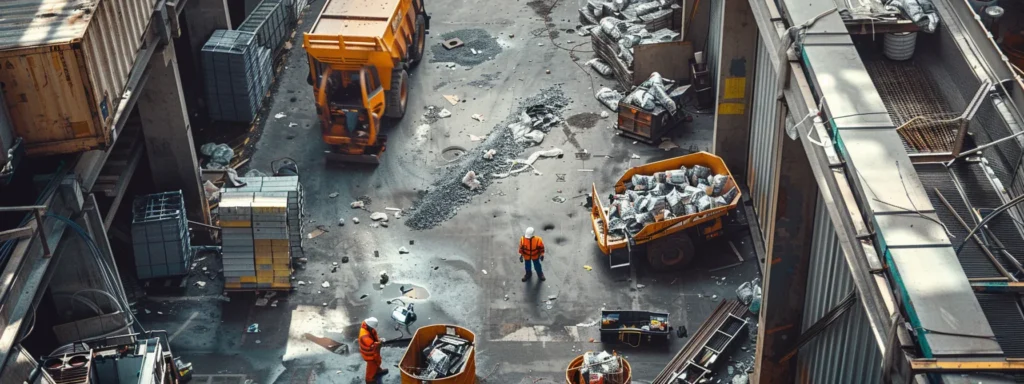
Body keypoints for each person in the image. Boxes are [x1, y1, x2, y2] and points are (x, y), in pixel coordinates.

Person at [358, 317, 388, 383]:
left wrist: (379, 340)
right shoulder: (364, 335)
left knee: (377, 361)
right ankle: (369, 380)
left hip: (373, 353)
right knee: (371, 367)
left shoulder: (370, 329)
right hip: (369, 354)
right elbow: (372, 345)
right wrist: (380, 343)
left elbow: (375, 338)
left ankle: (377, 371)